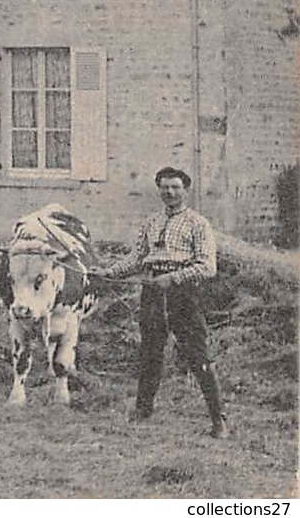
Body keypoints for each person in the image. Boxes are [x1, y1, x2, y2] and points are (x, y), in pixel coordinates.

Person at [93, 166, 228, 438]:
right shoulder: (151, 222)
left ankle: (219, 420)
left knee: (198, 355)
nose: (170, 192)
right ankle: (143, 410)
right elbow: (136, 258)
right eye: (165, 187)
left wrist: (175, 278)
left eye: (176, 187)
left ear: (185, 191)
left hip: (184, 295)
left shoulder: (198, 224)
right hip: (152, 291)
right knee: (150, 352)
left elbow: (207, 266)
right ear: (159, 190)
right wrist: (109, 272)